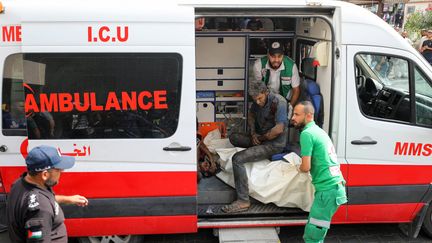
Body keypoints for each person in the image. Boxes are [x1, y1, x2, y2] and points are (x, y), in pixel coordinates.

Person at [221, 81, 288, 213]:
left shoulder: (279, 102)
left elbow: (279, 129)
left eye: (260, 99)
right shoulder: (257, 102)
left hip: (273, 144)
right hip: (259, 137)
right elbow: (251, 115)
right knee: (233, 137)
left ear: (266, 93)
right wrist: (252, 133)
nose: (257, 102)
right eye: (255, 99)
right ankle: (254, 142)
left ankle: (243, 200)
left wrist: (259, 138)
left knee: (237, 159)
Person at [291, 101, 347, 243]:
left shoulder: (307, 134)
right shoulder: (319, 131)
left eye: (297, 114)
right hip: (333, 189)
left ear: (309, 115)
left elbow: (306, 167)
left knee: (313, 236)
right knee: (314, 228)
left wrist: (297, 167)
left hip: (328, 192)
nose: (292, 117)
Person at [7, 145, 88, 242]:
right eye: (58, 169)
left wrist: (68, 199)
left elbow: (37, 201)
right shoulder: (40, 210)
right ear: (45, 175)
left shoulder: (20, 183)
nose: (62, 171)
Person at [253, 41, 301, 110]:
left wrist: (290, 107)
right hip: (267, 96)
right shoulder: (259, 65)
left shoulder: (291, 66)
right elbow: (258, 88)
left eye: (279, 56)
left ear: (283, 56)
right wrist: (262, 102)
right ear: (268, 55)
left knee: (282, 105)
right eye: (273, 56)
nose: (276, 60)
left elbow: (296, 90)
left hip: (286, 99)